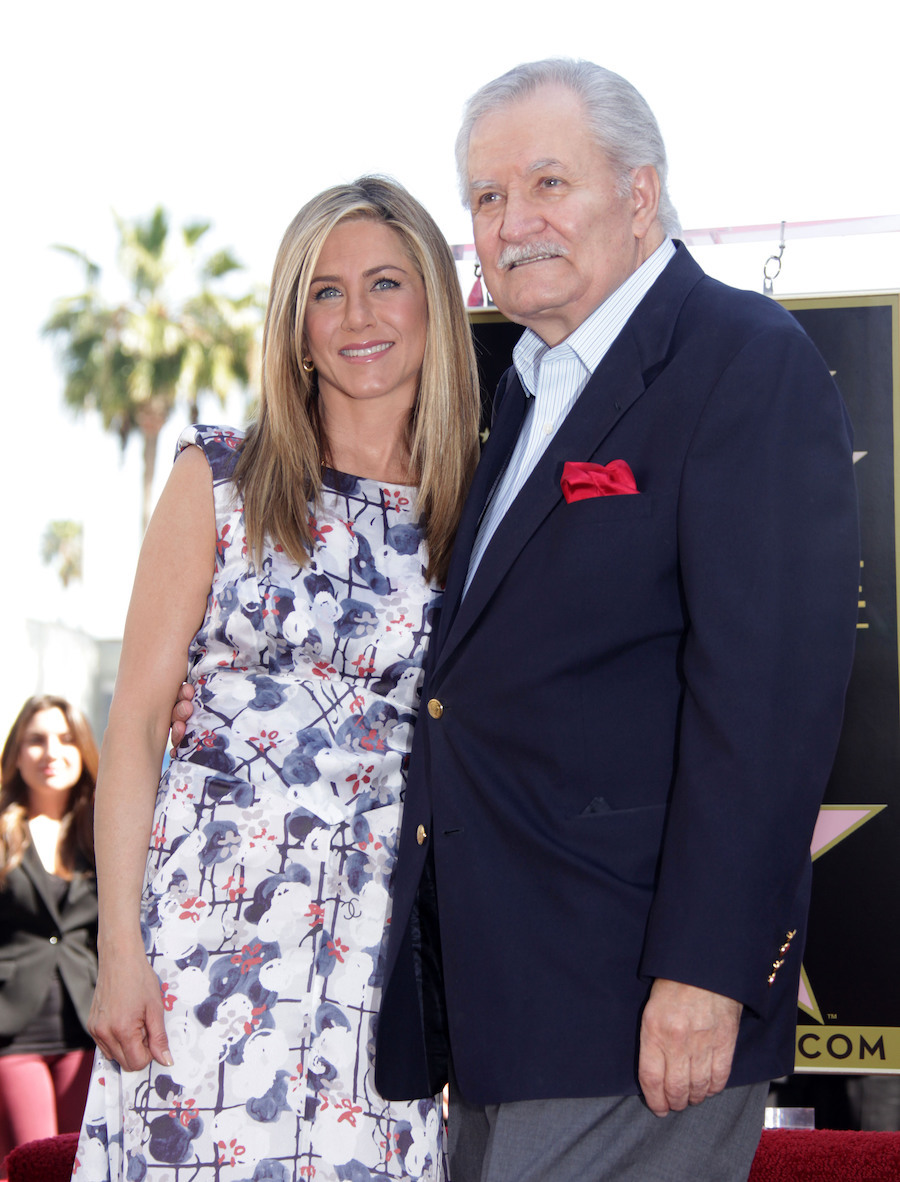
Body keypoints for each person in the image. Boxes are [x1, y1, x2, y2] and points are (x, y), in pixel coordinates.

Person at [370, 60, 860, 1181]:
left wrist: (706, 971)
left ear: (641, 195)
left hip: (640, 998)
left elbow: (770, 700)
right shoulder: (526, 390)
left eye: (549, 181)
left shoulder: (741, 360)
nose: (512, 221)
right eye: (488, 197)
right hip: (510, 1005)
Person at [72, 176, 480, 1182]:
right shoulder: (217, 478)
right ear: (295, 328)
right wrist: (119, 951)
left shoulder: (483, 507)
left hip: (388, 967)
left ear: (435, 305)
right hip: (206, 948)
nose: (358, 316)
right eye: (326, 292)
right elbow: (129, 732)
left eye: (387, 283)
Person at [0, 695, 99, 1176]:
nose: (50, 751)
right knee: (35, 1161)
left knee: (84, 1164)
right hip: (13, 1032)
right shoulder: (3, 831)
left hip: (87, 1030)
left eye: (63, 739)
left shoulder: (101, 831)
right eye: (36, 740)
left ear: (81, 749)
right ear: (17, 753)